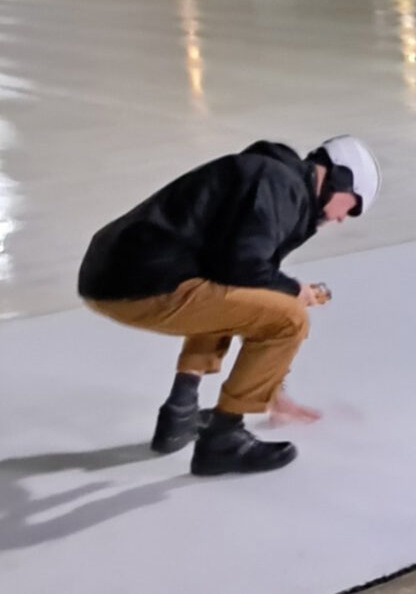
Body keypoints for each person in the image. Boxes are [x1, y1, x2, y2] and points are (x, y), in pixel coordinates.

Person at [78, 136, 381, 476]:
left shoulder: (273, 179)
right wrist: (294, 291)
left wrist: (273, 389)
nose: (343, 219)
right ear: (340, 179)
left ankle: (180, 410)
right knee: (290, 319)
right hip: (141, 281)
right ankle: (224, 436)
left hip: (116, 272)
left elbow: (232, 276)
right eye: (352, 207)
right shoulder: (280, 188)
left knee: (232, 294)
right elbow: (244, 268)